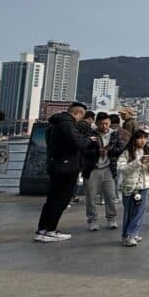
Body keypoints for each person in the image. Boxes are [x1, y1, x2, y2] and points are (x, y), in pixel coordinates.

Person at [36, 102, 95, 243]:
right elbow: (78, 142)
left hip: (55, 164)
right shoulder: (67, 124)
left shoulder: (53, 123)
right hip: (67, 166)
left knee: (51, 199)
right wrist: (88, 139)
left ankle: (42, 229)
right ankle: (51, 230)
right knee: (61, 200)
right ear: (77, 113)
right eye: (81, 116)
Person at [117, 130, 149, 247]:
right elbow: (122, 168)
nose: (143, 141)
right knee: (129, 211)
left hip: (143, 187)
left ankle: (131, 234)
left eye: (145, 138)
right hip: (129, 186)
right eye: (140, 138)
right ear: (134, 139)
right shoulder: (127, 153)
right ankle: (127, 234)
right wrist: (137, 162)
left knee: (139, 211)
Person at [82, 112, 123, 231]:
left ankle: (111, 218)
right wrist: (97, 152)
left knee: (110, 195)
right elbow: (84, 150)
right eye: (101, 124)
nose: (104, 126)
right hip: (92, 169)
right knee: (90, 197)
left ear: (110, 123)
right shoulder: (90, 134)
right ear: (96, 124)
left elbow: (120, 149)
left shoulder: (114, 134)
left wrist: (110, 151)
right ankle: (92, 219)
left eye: (106, 124)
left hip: (109, 168)